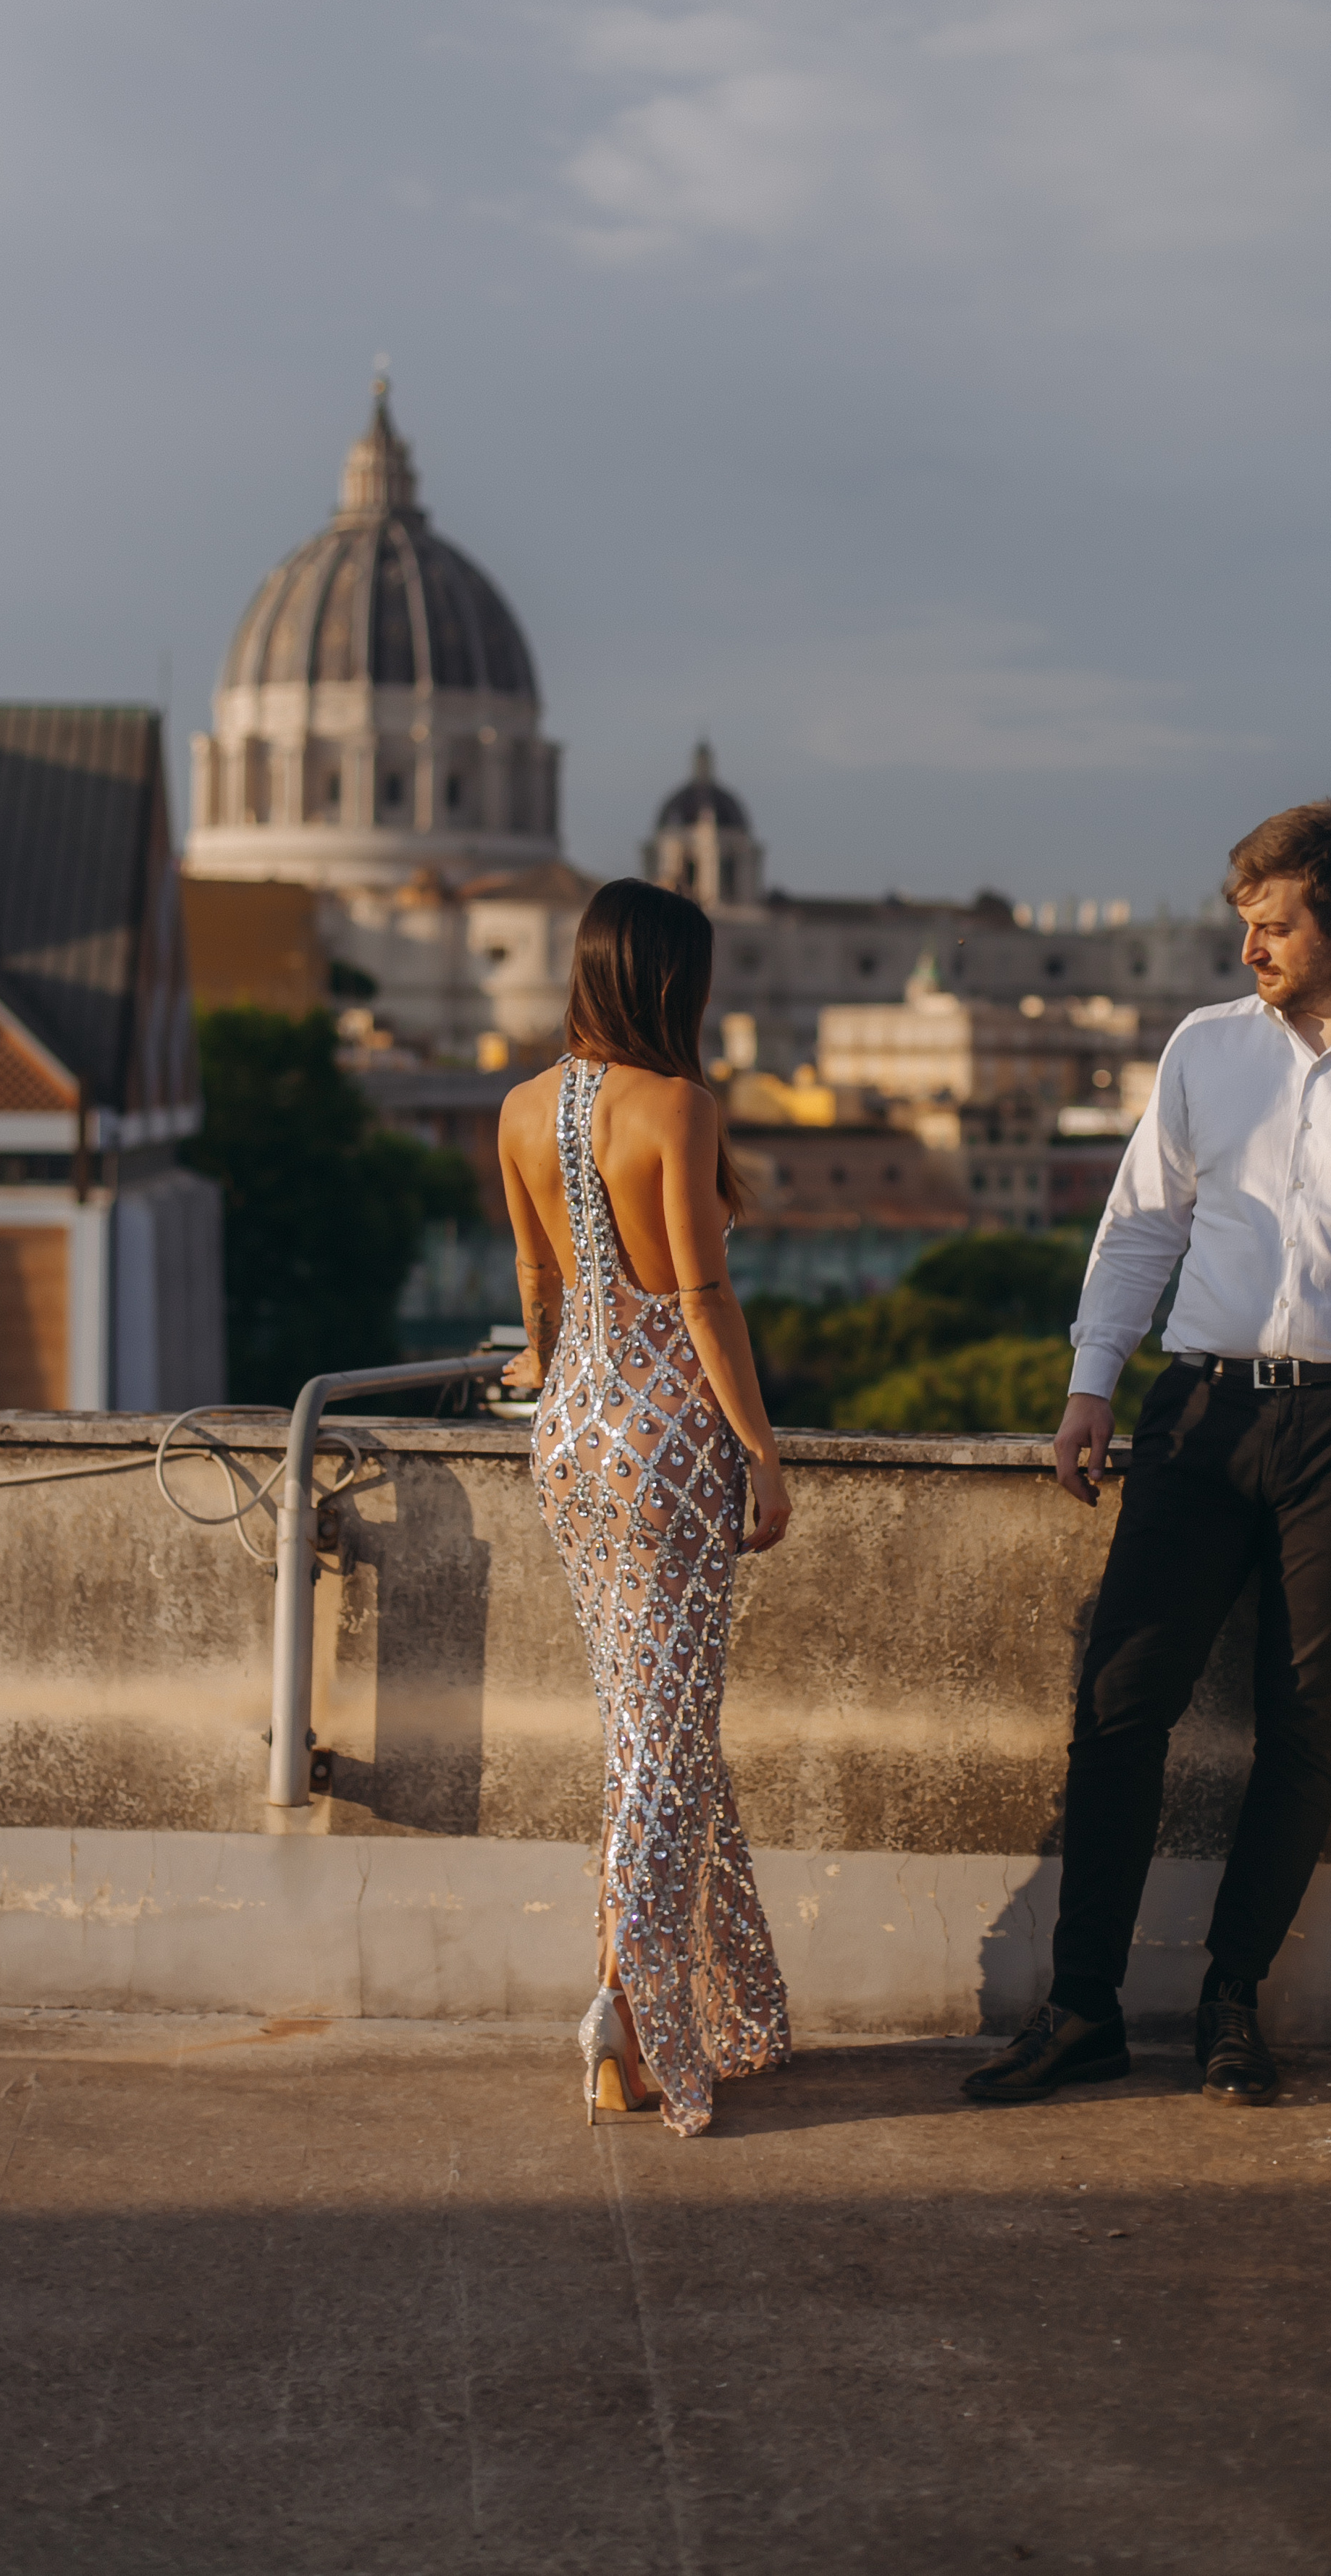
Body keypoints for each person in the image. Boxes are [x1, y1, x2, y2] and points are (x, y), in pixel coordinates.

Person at [963, 799, 1331, 2115]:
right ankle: (1083, 2010)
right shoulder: (1204, 1050)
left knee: (1302, 1729)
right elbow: (1138, 1228)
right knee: (1119, 1704)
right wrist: (1089, 1387)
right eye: (1245, 925)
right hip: (1204, 1409)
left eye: (1275, 926)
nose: (1251, 950)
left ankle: (1234, 2004)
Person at [498, 877, 793, 2137]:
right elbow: (703, 1300)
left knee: (647, 1722)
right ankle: (625, 2011)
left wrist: (537, 1366)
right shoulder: (676, 1104)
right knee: (664, 1738)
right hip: (669, 1434)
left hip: (571, 1431)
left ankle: (711, 2008)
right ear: (676, 981)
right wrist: (764, 1455)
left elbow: (537, 1282)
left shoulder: (516, 1109)